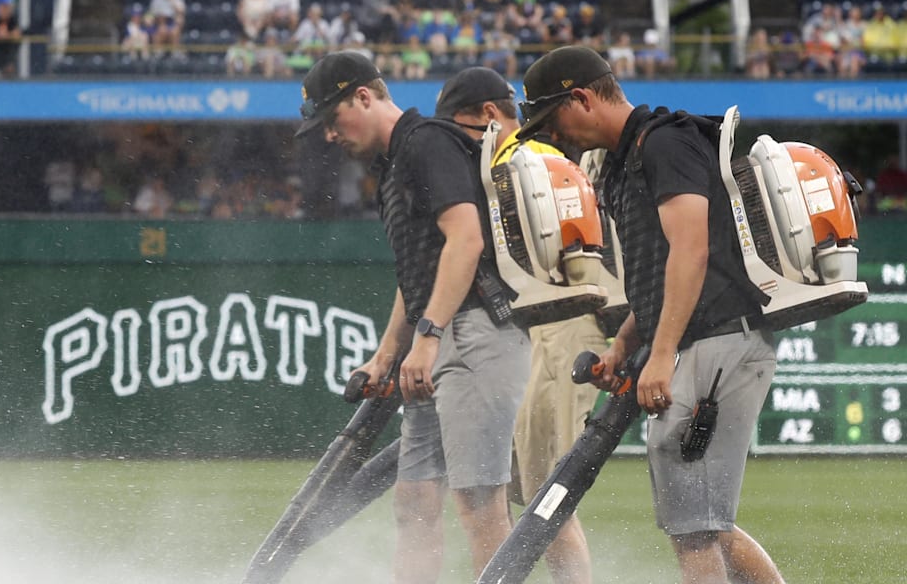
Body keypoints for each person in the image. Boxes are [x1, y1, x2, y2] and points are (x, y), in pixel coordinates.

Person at [516, 45, 786, 584]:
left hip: (717, 338)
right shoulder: (626, 159)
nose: (554, 133)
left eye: (553, 118)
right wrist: (624, 344)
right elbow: (662, 272)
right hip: (703, 339)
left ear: (582, 98)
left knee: (695, 529)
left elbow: (692, 251)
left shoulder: (665, 142)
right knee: (703, 523)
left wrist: (660, 356)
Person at [296, 51, 530, 583]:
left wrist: (427, 337)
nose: (330, 136)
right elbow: (419, 273)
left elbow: (465, 241)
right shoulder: (397, 161)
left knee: (479, 504)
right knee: (415, 499)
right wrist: (387, 353)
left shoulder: (426, 141)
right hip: (443, 338)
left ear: (364, 96)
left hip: (475, 335)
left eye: (332, 120)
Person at [434, 66, 603, 584]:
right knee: (528, 492)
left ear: (489, 114)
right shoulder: (519, 161)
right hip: (541, 332)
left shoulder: (527, 161)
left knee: (548, 494)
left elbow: (578, 265)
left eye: (461, 127)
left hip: (566, 327)